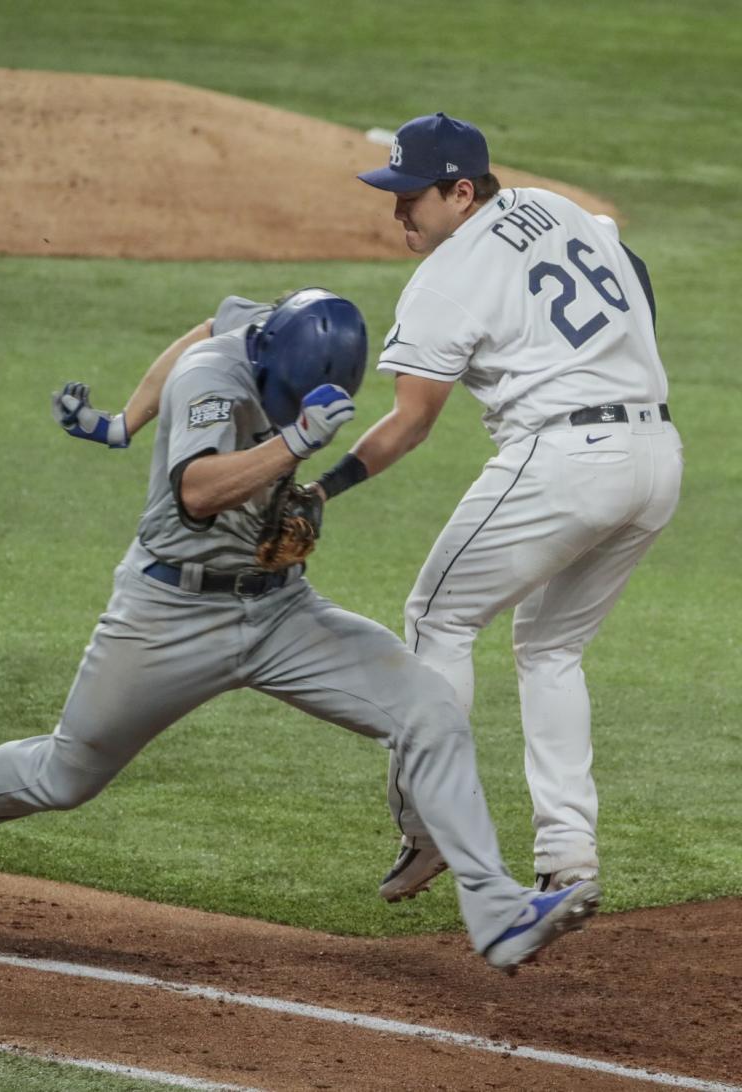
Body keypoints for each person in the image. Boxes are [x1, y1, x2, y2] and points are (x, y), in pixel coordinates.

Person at [0, 287, 600, 973]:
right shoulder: (212, 380)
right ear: (267, 360)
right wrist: (293, 444)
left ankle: (497, 911)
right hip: (169, 617)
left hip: (280, 611)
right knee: (65, 774)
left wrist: (123, 421)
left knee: (430, 710)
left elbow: (205, 321)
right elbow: (198, 493)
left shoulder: (272, 325)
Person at [309, 113, 683, 902]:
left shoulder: (446, 279)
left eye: (412, 196)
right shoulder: (557, 206)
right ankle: (569, 856)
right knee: (550, 650)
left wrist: (322, 490)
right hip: (658, 461)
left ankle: (431, 826)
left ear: (461, 191)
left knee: (436, 620)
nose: (399, 211)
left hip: (567, 462)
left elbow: (411, 423)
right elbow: (630, 264)